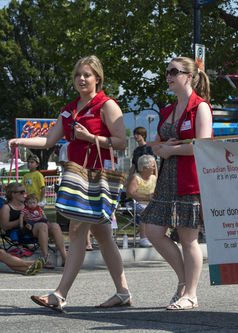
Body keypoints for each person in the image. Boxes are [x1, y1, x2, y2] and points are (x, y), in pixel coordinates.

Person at [9, 55, 130, 313]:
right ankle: (122, 292)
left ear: (97, 78)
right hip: (76, 176)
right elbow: (49, 140)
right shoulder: (69, 108)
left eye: (87, 75)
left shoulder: (106, 105)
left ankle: (60, 294)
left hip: (96, 176)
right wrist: (20, 141)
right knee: (103, 236)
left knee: (77, 230)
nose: (82, 79)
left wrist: (90, 137)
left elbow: (121, 142)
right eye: (78, 75)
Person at [141, 56, 212, 310]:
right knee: (153, 231)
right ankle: (183, 281)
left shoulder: (200, 107)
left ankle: (190, 293)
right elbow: (156, 143)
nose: (169, 76)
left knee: (188, 239)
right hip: (166, 180)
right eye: (167, 71)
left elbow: (203, 145)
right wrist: (162, 150)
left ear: (189, 76)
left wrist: (172, 150)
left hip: (188, 180)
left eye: (174, 71)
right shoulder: (168, 111)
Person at [0, 183, 54, 268]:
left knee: (55, 226)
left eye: (24, 192)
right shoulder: (6, 207)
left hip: (31, 228)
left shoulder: (27, 205)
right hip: (18, 233)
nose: (24, 194)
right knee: (43, 226)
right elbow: (5, 226)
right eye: (21, 192)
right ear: (13, 194)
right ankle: (46, 258)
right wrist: (21, 220)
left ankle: (66, 258)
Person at [125, 154, 157, 247]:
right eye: (152, 166)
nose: (154, 169)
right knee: (145, 211)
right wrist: (147, 197)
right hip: (136, 203)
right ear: (144, 168)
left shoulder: (153, 178)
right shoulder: (136, 178)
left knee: (163, 210)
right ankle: (143, 238)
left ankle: (163, 237)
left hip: (150, 203)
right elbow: (129, 194)